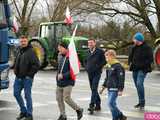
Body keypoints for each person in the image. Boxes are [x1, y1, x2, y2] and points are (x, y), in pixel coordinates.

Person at [13, 35, 40, 120]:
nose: (23, 43)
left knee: (27, 96)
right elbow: (16, 61)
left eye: (24, 41)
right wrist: (15, 70)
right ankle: (23, 111)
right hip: (18, 78)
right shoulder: (19, 50)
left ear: (27, 41)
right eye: (21, 41)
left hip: (27, 79)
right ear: (20, 42)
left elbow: (36, 65)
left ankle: (29, 114)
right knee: (16, 94)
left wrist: (29, 75)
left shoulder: (31, 51)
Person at [56, 42, 83, 120]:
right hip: (59, 81)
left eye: (60, 48)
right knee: (59, 98)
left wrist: (63, 75)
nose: (59, 49)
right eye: (58, 48)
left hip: (68, 81)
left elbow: (73, 70)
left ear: (65, 48)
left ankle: (78, 109)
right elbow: (59, 69)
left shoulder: (72, 57)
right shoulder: (60, 56)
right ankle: (63, 115)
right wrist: (57, 78)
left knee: (66, 98)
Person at [128, 32, 153, 109]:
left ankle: (142, 102)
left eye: (134, 39)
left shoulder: (147, 48)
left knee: (139, 84)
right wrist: (129, 62)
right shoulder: (134, 47)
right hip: (135, 69)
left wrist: (142, 64)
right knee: (137, 86)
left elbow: (150, 59)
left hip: (143, 69)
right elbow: (130, 56)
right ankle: (140, 102)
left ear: (139, 40)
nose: (133, 40)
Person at [100, 49, 127, 120]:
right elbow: (107, 78)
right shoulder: (109, 66)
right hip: (109, 88)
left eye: (107, 57)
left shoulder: (118, 66)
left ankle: (120, 115)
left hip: (115, 88)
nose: (106, 59)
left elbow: (121, 78)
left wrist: (120, 89)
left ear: (112, 56)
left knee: (110, 103)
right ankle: (115, 118)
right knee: (112, 104)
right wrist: (103, 87)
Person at [84, 39, 106, 114]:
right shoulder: (87, 52)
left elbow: (104, 61)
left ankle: (91, 105)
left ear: (94, 43)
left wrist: (98, 66)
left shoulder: (100, 51)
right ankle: (98, 104)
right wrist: (86, 68)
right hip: (90, 73)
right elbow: (85, 61)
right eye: (88, 43)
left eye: (91, 43)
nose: (90, 44)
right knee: (93, 89)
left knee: (94, 88)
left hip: (97, 73)